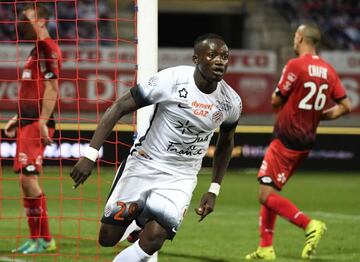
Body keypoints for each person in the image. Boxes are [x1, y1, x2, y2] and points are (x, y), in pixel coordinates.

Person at [70, 33, 242, 261]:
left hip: (181, 176)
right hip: (144, 163)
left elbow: (226, 143)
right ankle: (137, 222)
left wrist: (214, 189)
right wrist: (90, 155)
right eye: (212, 55)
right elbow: (120, 106)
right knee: (107, 238)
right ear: (196, 59)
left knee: (154, 238)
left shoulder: (231, 102)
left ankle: (145, 227)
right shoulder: (171, 80)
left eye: (224, 56)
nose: (220, 61)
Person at [245, 23, 351, 260]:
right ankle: (266, 248)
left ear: (301, 38)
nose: (294, 40)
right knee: (269, 187)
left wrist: (283, 103)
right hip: (306, 140)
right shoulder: (329, 71)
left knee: (264, 194)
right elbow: (345, 106)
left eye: (295, 36)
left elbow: (275, 100)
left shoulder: (296, 65)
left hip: (286, 138)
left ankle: (309, 225)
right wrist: (318, 115)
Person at [4, 3, 61, 254]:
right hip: (26, 123)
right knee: (25, 181)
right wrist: (18, 117)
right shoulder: (34, 50)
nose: (20, 23)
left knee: (30, 177)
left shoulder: (48, 48)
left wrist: (42, 122)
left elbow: (52, 87)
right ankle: (36, 238)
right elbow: (33, 90)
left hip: (36, 124)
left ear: (40, 20)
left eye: (25, 18)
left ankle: (45, 239)